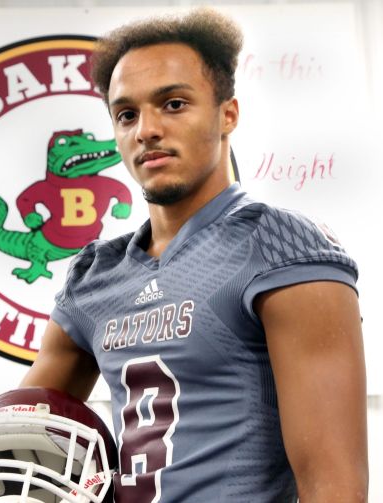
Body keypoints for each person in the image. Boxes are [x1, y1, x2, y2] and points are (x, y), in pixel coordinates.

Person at [20, 7, 368, 503]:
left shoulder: (282, 247)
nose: (146, 130)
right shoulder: (96, 274)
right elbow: (14, 437)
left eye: (174, 104)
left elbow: (334, 487)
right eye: (126, 114)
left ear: (228, 114)